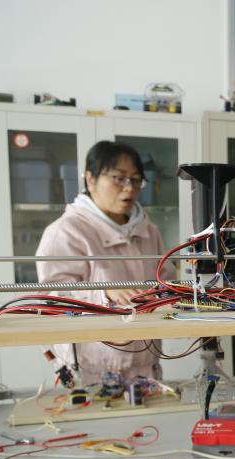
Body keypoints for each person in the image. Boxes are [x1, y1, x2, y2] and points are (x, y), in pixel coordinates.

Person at [36, 140, 169, 385]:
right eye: (118, 178)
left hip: (147, 368)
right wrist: (103, 293)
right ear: (90, 180)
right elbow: (51, 301)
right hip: (93, 373)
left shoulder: (149, 232)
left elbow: (167, 283)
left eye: (136, 180)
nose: (129, 188)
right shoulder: (66, 232)